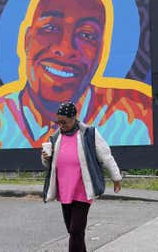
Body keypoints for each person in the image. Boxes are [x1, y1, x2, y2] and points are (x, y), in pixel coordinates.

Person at [0, 0, 153, 149]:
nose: (65, 50)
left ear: (102, 51)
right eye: (50, 27)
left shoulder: (136, 117)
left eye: (86, 34)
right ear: (26, 40)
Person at [41, 101, 122, 252]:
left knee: (76, 231)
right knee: (74, 232)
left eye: (64, 121)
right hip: (65, 190)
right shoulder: (56, 136)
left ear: (74, 118)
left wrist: (116, 178)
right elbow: (49, 165)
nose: (61, 125)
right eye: (59, 121)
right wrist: (46, 157)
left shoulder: (88, 134)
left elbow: (106, 156)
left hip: (83, 189)